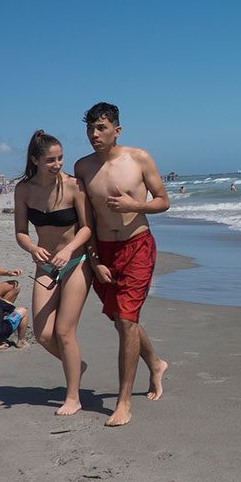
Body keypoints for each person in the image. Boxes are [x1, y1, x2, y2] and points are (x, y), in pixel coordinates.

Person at [75, 102, 169, 427]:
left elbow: (163, 201)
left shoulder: (139, 158)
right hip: (104, 251)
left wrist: (135, 204)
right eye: (90, 128)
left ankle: (123, 402)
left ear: (117, 130)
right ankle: (156, 364)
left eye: (100, 128)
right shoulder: (83, 167)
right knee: (121, 320)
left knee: (127, 321)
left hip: (138, 246)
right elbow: (84, 217)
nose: (94, 134)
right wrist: (94, 258)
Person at [14, 130, 93, 415]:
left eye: (60, 158)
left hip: (75, 261)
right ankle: (76, 366)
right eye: (50, 160)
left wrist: (68, 249)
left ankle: (73, 396)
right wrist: (32, 249)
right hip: (45, 264)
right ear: (35, 160)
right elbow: (21, 233)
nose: (58, 164)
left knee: (64, 331)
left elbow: (87, 228)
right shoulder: (23, 190)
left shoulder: (73, 186)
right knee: (44, 335)